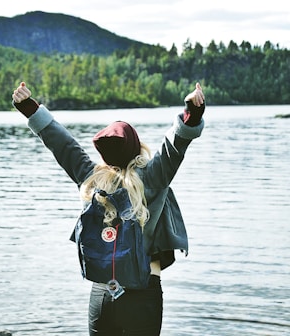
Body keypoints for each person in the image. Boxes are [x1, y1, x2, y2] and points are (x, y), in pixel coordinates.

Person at [12, 81, 205, 336]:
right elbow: (175, 144)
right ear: (137, 146)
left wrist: (30, 108)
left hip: (102, 294)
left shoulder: (92, 178)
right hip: (143, 293)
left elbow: (63, 144)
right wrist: (192, 112)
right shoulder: (154, 176)